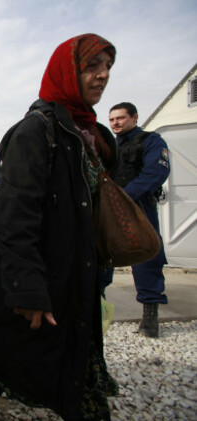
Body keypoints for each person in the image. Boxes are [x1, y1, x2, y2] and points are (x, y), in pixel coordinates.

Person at [0, 34, 119, 420]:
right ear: (66, 72)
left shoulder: (91, 136)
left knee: (74, 364)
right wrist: (27, 288)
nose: (103, 75)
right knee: (5, 362)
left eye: (108, 67)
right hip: (40, 276)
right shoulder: (36, 132)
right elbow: (15, 217)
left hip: (77, 274)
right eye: (92, 66)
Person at [100, 102, 170, 338]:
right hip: (109, 209)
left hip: (138, 206)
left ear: (134, 117)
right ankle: (96, 312)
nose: (115, 123)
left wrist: (124, 197)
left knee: (147, 259)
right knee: (101, 257)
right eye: (111, 119)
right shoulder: (108, 146)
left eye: (120, 118)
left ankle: (150, 318)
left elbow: (156, 173)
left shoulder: (151, 141)